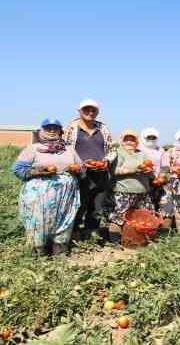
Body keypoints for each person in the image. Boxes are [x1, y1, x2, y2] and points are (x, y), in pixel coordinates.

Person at [12, 118, 84, 256]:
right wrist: (39, 171)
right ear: (42, 130)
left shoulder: (68, 149)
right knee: (39, 221)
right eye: (48, 128)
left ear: (60, 131)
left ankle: (60, 250)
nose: (52, 131)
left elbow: (81, 167)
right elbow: (18, 169)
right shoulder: (33, 148)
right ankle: (38, 252)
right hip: (39, 195)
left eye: (55, 128)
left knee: (64, 221)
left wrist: (77, 169)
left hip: (65, 195)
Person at [63, 99, 115, 234]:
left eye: (93, 110)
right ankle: (73, 233)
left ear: (97, 112)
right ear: (79, 111)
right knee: (78, 205)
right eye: (86, 110)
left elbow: (111, 150)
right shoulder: (71, 128)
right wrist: (79, 164)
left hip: (100, 173)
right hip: (80, 174)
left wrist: (107, 161)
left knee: (97, 206)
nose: (90, 112)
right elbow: (64, 150)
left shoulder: (103, 128)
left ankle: (90, 234)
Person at [107, 130, 155, 243]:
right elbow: (114, 171)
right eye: (126, 139)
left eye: (132, 139)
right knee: (119, 216)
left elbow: (148, 168)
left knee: (144, 216)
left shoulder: (141, 153)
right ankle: (115, 241)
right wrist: (134, 170)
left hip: (143, 191)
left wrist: (148, 170)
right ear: (122, 141)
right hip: (124, 190)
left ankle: (140, 239)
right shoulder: (118, 152)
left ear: (137, 141)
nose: (129, 141)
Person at [140, 127, 167, 209]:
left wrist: (162, 175)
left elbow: (165, 165)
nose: (151, 139)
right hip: (142, 180)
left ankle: (156, 220)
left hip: (157, 180)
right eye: (149, 137)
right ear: (144, 137)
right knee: (144, 202)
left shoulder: (160, 149)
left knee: (156, 201)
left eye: (153, 137)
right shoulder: (139, 148)